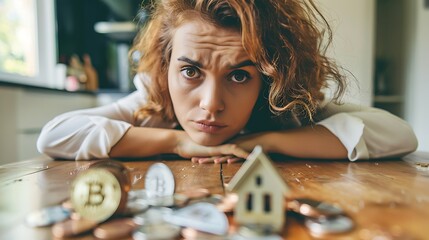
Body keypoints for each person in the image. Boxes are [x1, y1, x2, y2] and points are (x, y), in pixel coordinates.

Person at [37, 0, 417, 163]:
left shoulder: (284, 105)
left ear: (269, 78)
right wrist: (178, 141)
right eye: (190, 72)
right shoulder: (151, 99)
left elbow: (399, 134)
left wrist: (264, 141)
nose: (210, 103)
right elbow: (54, 136)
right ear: (165, 68)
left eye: (239, 75)